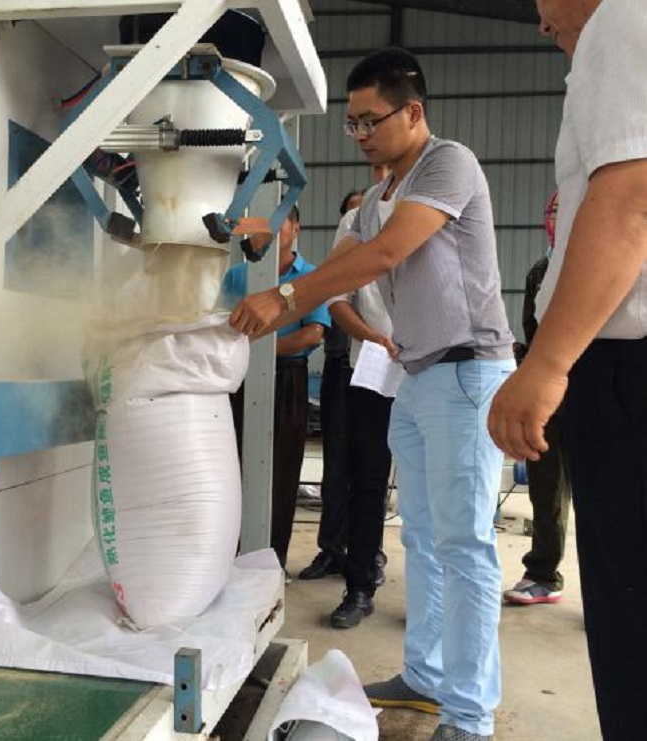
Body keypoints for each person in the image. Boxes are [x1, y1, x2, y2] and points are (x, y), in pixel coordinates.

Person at [230, 47, 514, 741]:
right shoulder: (381, 195)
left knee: (464, 543)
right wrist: (263, 254)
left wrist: (285, 297)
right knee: (420, 534)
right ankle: (426, 676)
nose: (359, 135)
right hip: (415, 376)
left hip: (467, 371)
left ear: (411, 111)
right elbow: (340, 263)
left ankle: (469, 716)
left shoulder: (448, 164)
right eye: (351, 123)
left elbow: (383, 256)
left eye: (369, 121)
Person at [488, 2, 647, 738]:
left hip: (624, 366)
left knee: (630, 619)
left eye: (543, 8)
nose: (543, 25)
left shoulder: (624, 17)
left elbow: (629, 199)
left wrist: (547, 363)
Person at [224, 205, 331, 572]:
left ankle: (272, 561)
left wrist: (260, 348)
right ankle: (231, 557)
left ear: (296, 228)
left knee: (281, 470)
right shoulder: (236, 276)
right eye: (260, 222)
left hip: (286, 377)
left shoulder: (310, 277)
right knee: (233, 465)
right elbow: (221, 326)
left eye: (278, 221)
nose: (267, 229)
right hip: (239, 378)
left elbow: (312, 333)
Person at [326, 164, 398, 629]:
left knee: (433, 486)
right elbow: (336, 298)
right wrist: (371, 336)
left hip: (430, 366)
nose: (384, 173)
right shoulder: (355, 222)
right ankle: (359, 586)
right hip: (374, 367)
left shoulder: (433, 207)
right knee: (367, 478)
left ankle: (435, 598)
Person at [504, 193, 573, 606]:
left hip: (601, 392)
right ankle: (543, 573)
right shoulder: (540, 272)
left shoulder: (605, 262)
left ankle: (621, 588)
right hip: (550, 395)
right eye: (554, 211)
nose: (559, 219)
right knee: (546, 488)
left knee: (611, 493)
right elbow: (534, 334)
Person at [299, 191, 363, 582]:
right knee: (336, 464)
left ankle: (366, 554)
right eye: (351, 213)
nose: (358, 219)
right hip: (340, 367)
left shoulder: (388, 267)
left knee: (370, 466)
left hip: (376, 369)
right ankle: (331, 550)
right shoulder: (333, 271)